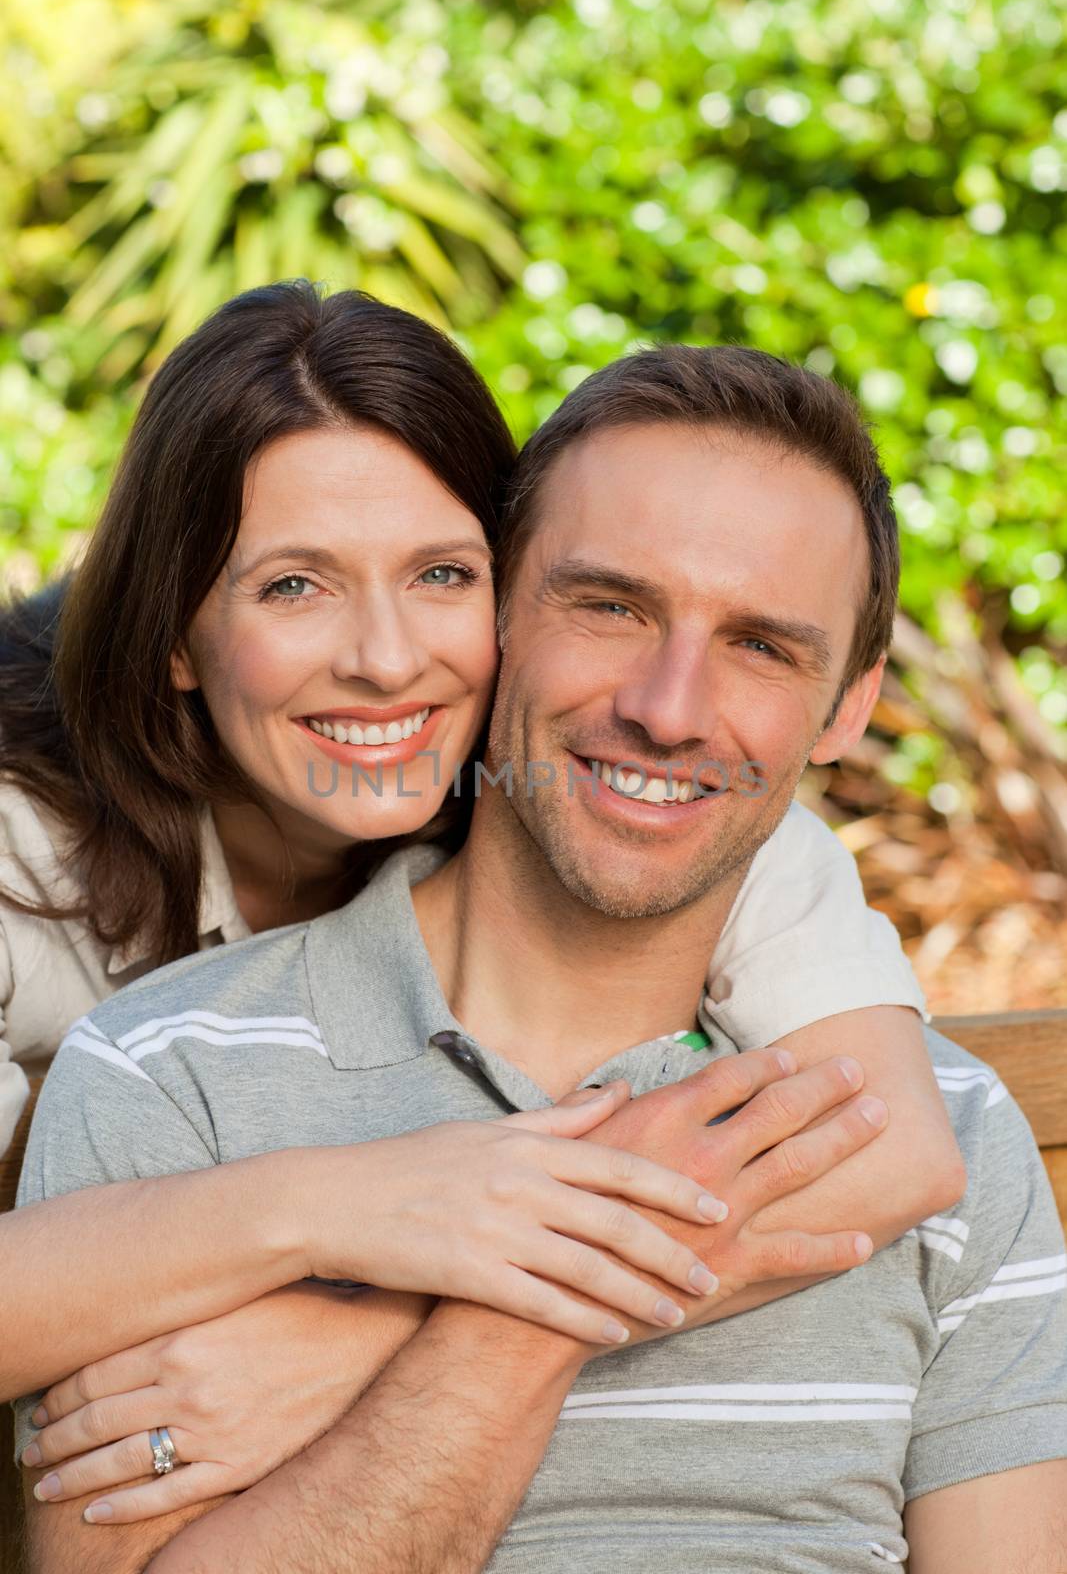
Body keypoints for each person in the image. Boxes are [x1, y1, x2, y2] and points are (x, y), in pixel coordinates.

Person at [18, 343, 1063, 1574]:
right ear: (508, 619)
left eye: (762, 647)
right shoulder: (158, 1066)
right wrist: (394, 1246)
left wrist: (429, 1318)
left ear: (844, 706)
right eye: (610, 604)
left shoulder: (922, 1117)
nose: (669, 708)